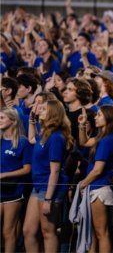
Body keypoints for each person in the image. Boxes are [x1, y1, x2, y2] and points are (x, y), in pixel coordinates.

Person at [23, 100, 74, 253]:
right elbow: (31, 139)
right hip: (38, 185)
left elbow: (55, 171)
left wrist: (48, 199)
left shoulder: (56, 138)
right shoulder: (45, 133)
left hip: (50, 188)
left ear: (53, 113)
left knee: (47, 231)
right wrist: (31, 120)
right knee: (28, 230)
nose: (40, 110)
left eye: (44, 109)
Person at [77, 105, 113, 253]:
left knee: (102, 233)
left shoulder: (107, 140)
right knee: (94, 233)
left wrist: (82, 184)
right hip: (96, 187)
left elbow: (97, 170)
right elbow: (84, 142)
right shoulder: (102, 137)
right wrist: (82, 125)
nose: (95, 117)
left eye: (99, 115)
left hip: (100, 189)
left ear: (109, 118)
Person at [0, 108, 32, 253]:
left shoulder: (23, 142)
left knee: (8, 231)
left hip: (13, 191)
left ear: (13, 121)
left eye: (2, 118)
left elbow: (27, 169)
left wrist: (5, 175)